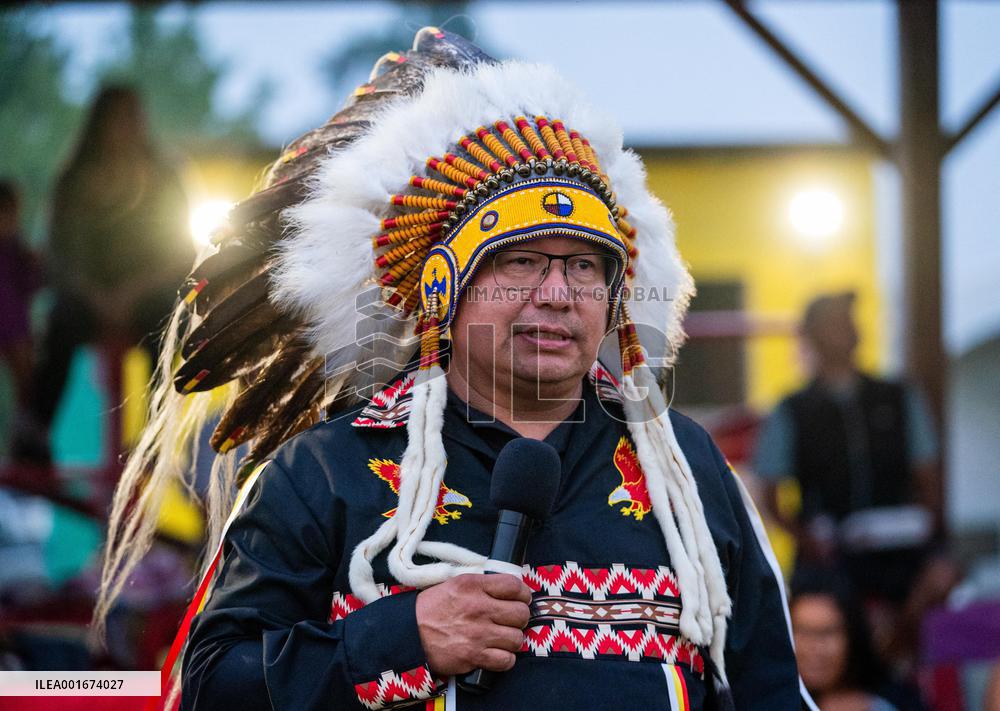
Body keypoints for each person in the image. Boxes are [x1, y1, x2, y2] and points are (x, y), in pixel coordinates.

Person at [94, 29, 815, 710]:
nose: (558, 294)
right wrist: (398, 639)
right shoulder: (325, 473)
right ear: (443, 289)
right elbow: (205, 686)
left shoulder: (684, 472)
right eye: (522, 261)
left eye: (586, 268)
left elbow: (770, 692)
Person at [13, 85, 194, 465]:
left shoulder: (163, 179)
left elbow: (180, 252)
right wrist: (93, 294)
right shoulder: (74, 181)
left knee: (168, 320)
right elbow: (59, 253)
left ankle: (154, 432)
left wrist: (135, 290)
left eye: (134, 116)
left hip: (148, 295)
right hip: (84, 299)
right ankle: (33, 431)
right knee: (60, 322)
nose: (128, 127)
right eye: (120, 117)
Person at [753, 291, 942, 604]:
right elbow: (768, 495)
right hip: (828, 563)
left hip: (901, 555)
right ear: (813, 335)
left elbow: (928, 479)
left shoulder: (899, 397)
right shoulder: (791, 410)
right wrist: (806, 538)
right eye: (834, 322)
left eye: (848, 319)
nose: (846, 328)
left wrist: (925, 530)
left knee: (938, 584)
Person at [0, 179, 44, 456]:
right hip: (13, 326)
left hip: (16, 327)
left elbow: (31, 283)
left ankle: (24, 438)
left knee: (26, 387)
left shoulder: (17, 248)